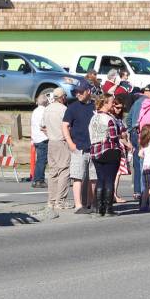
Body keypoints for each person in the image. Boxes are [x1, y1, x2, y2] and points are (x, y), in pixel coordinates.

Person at [88, 93, 128, 216]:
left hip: (95, 151)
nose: (113, 104)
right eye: (111, 102)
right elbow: (113, 137)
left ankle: (99, 209)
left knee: (101, 179)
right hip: (109, 150)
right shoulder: (109, 119)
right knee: (109, 179)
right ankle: (108, 208)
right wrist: (122, 138)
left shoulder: (93, 118)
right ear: (105, 103)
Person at [62, 81, 96, 214]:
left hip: (93, 147)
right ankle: (78, 205)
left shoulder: (94, 107)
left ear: (89, 91)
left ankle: (91, 203)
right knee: (77, 177)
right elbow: (65, 125)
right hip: (78, 147)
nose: (78, 94)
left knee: (93, 177)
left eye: (81, 91)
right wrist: (70, 143)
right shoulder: (72, 107)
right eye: (77, 91)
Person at [44, 88, 71, 210]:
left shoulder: (47, 108)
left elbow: (42, 127)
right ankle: (60, 202)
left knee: (53, 172)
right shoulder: (64, 109)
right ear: (62, 97)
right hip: (62, 141)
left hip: (51, 141)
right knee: (64, 171)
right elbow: (68, 126)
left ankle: (51, 201)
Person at [30, 94, 48, 188]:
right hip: (43, 138)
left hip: (36, 138)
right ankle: (39, 180)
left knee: (39, 160)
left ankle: (36, 179)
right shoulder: (44, 111)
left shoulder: (35, 111)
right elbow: (43, 124)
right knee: (42, 160)